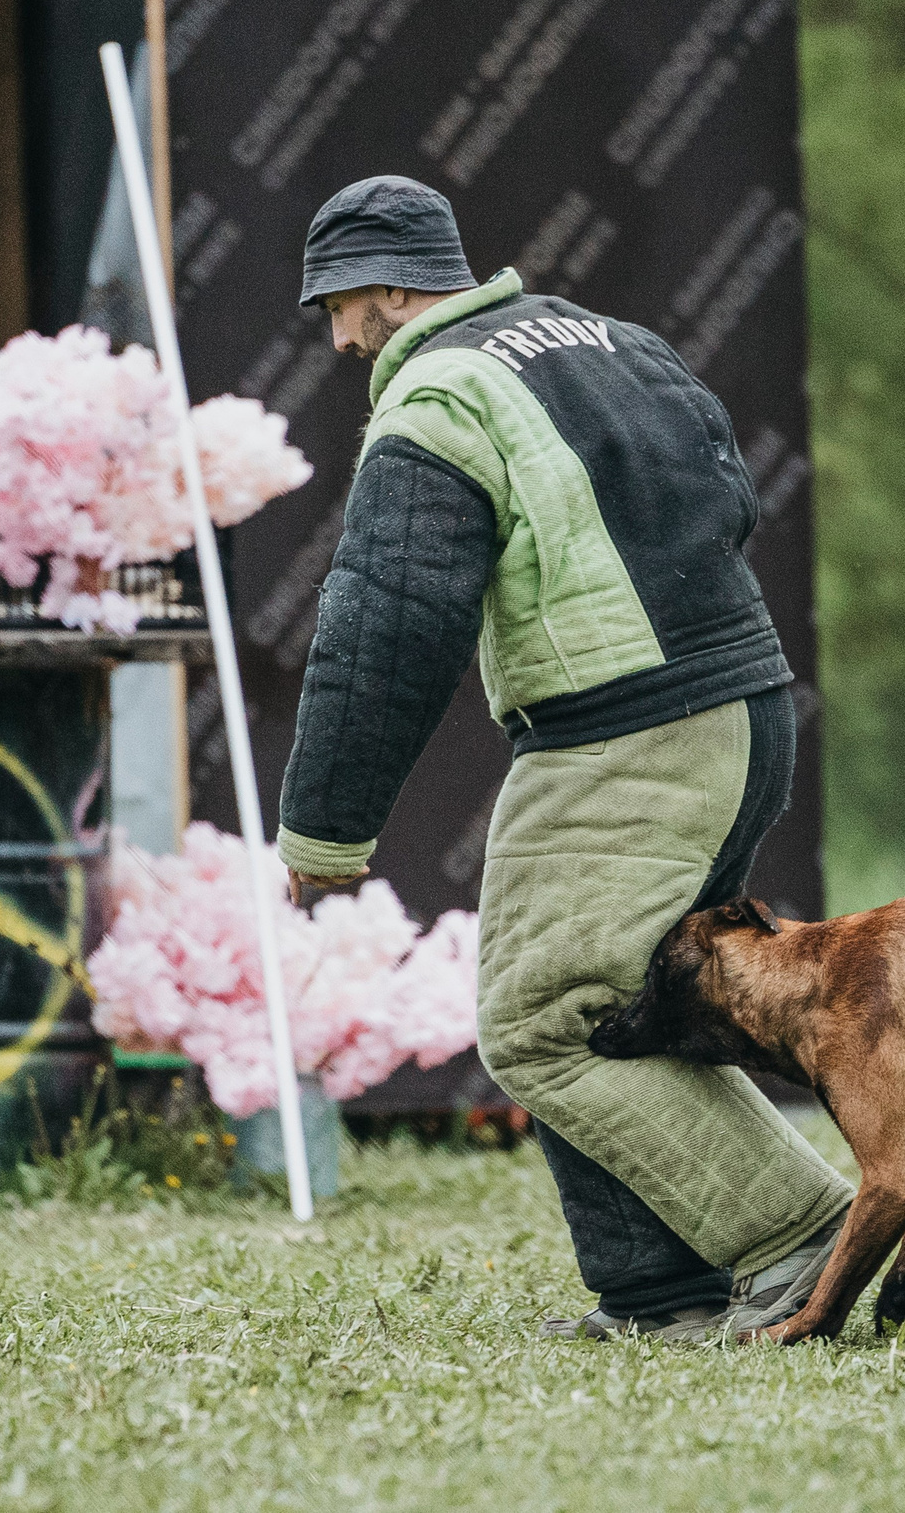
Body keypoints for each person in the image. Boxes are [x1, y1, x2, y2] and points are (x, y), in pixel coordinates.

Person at [275, 175, 852, 1340]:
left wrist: (324, 834)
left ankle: (810, 1235)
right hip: (744, 709)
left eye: (338, 304)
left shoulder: (438, 396)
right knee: (617, 1003)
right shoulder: (612, 341)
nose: (337, 338)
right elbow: (728, 494)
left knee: (545, 1019)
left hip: (625, 737)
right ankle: (656, 1293)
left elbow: (385, 625)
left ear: (393, 284)